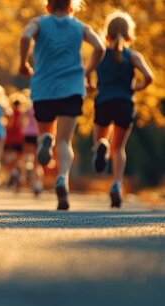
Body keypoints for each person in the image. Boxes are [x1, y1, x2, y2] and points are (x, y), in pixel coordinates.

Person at [19, 0, 105, 210]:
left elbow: (25, 36)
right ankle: (62, 180)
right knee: (65, 141)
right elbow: (100, 47)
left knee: (45, 135)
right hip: (71, 88)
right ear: (71, 6)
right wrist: (86, 70)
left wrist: (23, 63)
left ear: (48, 6)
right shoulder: (80, 27)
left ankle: (45, 141)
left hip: (44, 89)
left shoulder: (39, 22)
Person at [90, 11, 154, 208]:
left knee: (100, 140)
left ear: (106, 35)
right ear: (129, 36)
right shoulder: (133, 56)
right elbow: (149, 77)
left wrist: (91, 86)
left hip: (103, 102)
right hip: (125, 104)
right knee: (119, 148)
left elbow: (86, 72)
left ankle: (101, 146)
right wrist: (138, 87)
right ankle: (116, 185)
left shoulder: (99, 55)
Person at [4, 95, 26, 191]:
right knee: (19, 160)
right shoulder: (22, 113)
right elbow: (22, 125)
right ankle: (19, 177)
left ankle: (13, 173)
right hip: (19, 139)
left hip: (9, 139)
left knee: (9, 159)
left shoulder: (10, 113)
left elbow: (7, 125)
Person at [22, 103, 44, 196]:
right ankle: (36, 183)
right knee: (37, 161)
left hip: (28, 134)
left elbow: (21, 121)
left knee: (26, 156)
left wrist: (24, 127)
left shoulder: (28, 109)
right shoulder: (43, 107)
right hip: (38, 134)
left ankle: (27, 168)